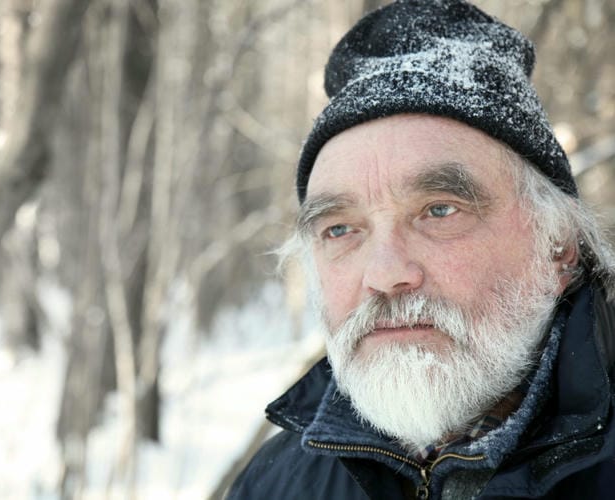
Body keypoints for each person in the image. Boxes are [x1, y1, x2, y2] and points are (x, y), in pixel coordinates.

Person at [228, 1, 615, 498]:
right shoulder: (274, 485)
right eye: (341, 229)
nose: (385, 274)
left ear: (559, 246)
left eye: (439, 210)